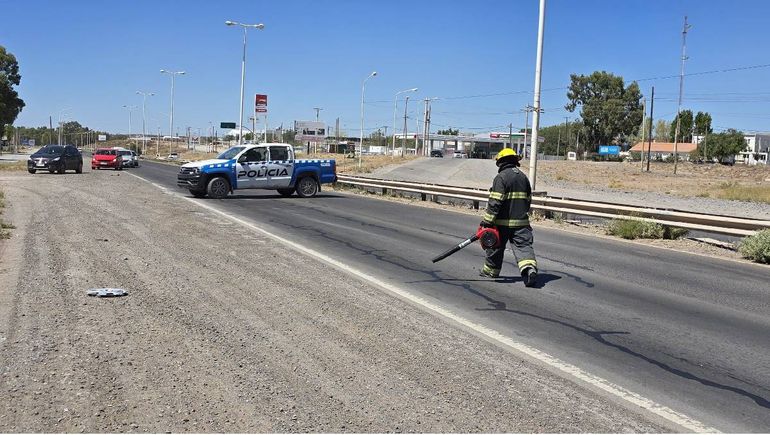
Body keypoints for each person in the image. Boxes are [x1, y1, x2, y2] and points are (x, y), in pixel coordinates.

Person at [479, 148, 538, 287]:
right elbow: (528, 200)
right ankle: (529, 269)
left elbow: (495, 202)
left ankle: (490, 272)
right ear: (515, 161)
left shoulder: (501, 178)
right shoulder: (524, 177)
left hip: (501, 223)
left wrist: (487, 221)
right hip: (521, 223)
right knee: (524, 247)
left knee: (495, 248)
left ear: (501, 162)